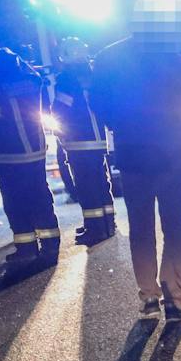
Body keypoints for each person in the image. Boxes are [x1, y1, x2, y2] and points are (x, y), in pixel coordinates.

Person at [90, 0, 181, 323]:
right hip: (173, 156)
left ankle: (149, 297)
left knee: (141, 228)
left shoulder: (110, 58)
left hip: (133, 155)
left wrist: (121, 128)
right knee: (176, 229)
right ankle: (174, 298)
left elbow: (98, 104)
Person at [0, 48, 60, 265]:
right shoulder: (31, 81)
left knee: (16, 202)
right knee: (40, 197)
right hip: (36, 150)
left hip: (10, 154)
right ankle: (51, 246)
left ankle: (27, 249)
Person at [52, 38, 117, 246]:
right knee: (101, 182)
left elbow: (62, 109)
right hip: (98, 139)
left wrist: (58, 129)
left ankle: (95, 229)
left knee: (86, 186)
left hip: (78, 140)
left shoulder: (66, 78)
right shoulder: (92, 74)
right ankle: (108, 224)